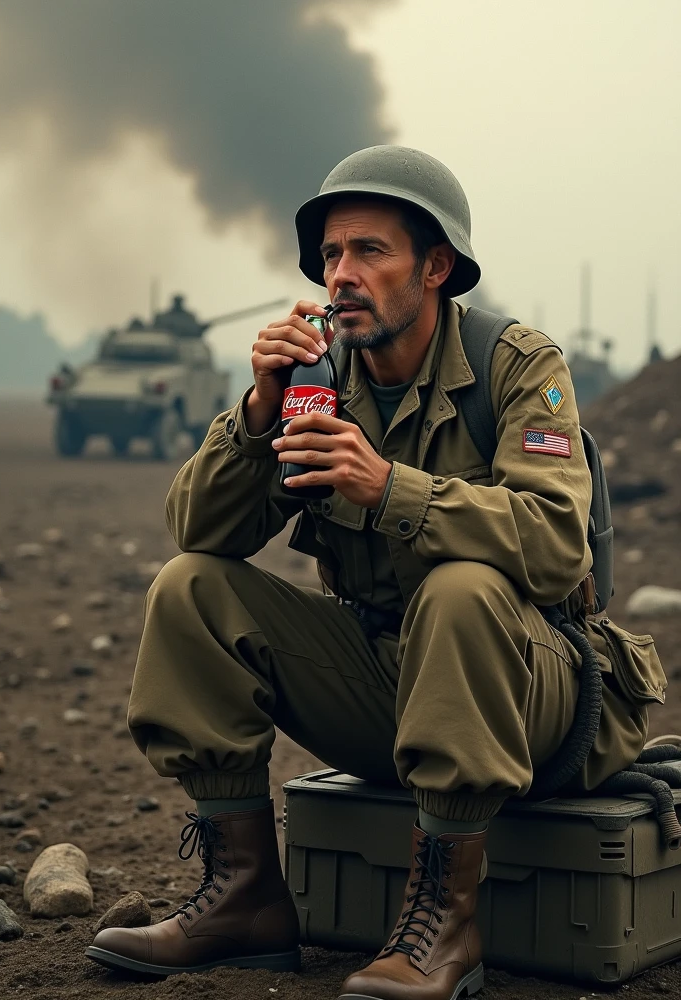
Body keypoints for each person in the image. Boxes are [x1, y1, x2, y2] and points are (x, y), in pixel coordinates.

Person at [87, 146, 661, 1000]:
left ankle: (445, 927)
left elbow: (553, 545)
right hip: (393, 689)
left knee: (460, 588)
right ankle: (244, 900)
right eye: (329, 256)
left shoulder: (517, 366)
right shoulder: (319, 378)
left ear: (436, 267)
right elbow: (200, 531)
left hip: (535, 693)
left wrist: (390, 488)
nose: (340, 274)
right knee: (191, 591)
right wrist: (257, 412)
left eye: (369, 251)